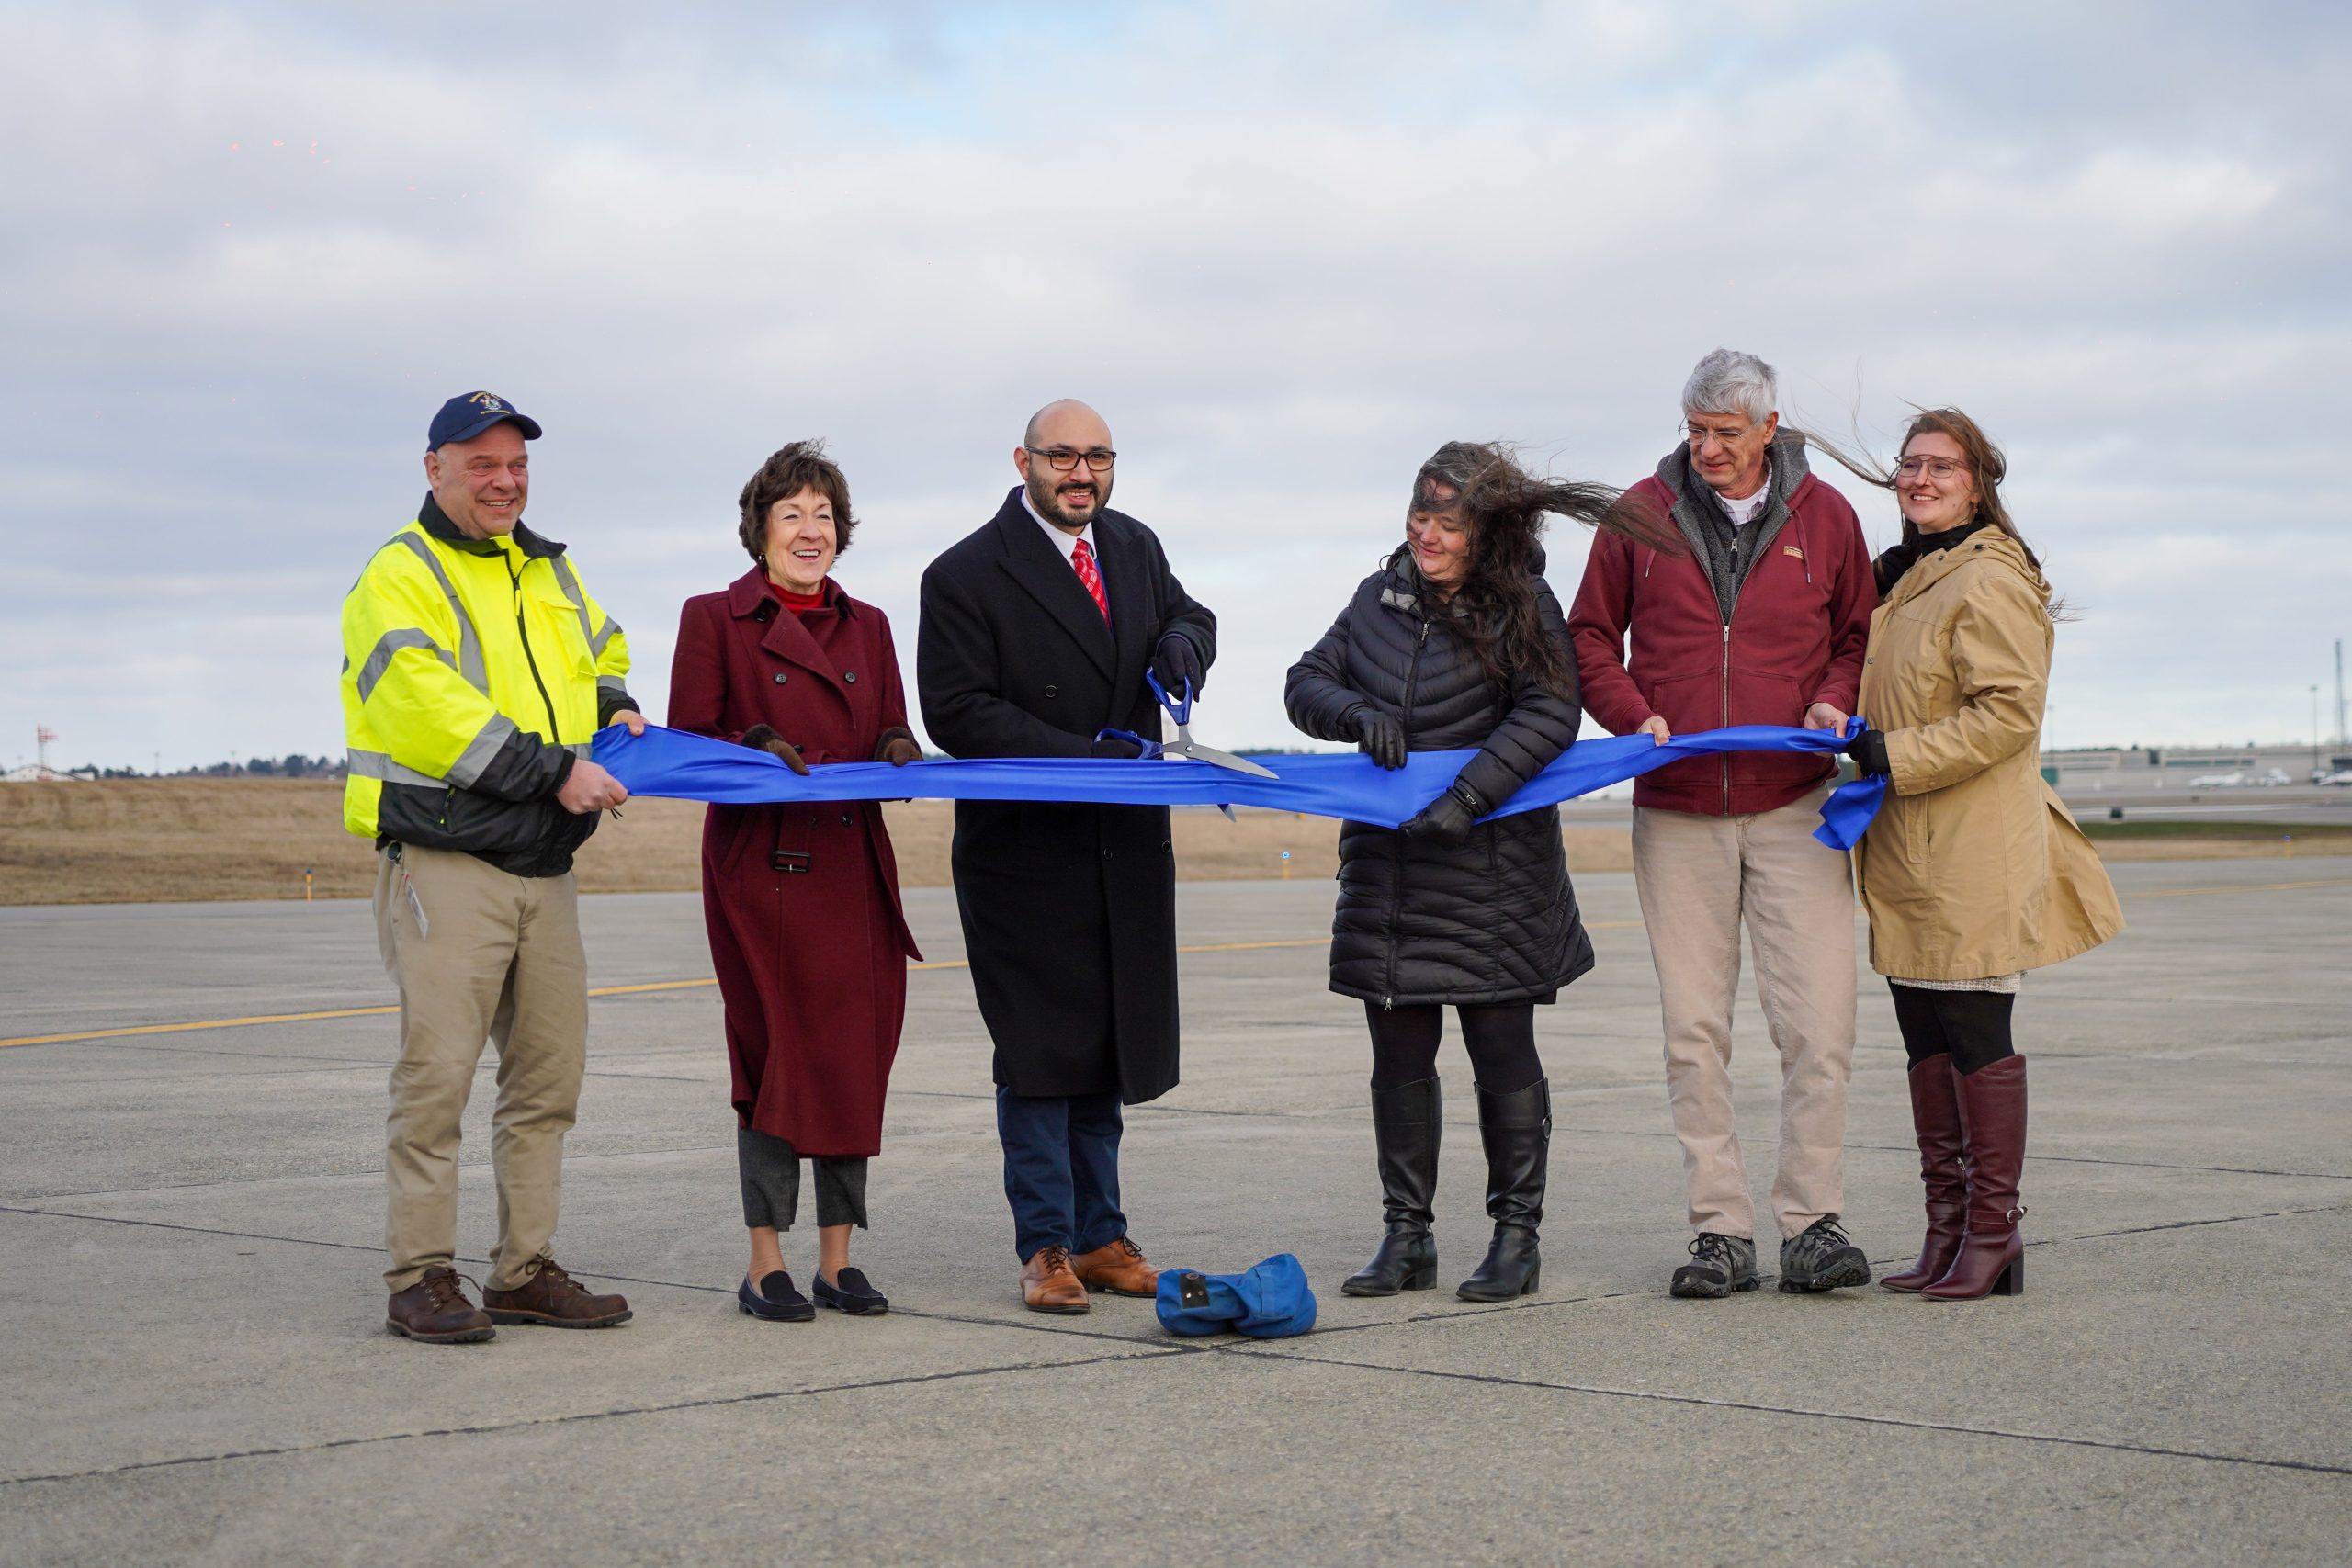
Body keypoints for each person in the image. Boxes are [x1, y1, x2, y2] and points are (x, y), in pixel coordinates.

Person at [1285, 443, 1663, 1302]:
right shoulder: (1376, 598)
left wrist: (1468, 796)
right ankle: (1406, 1234)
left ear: (1485, 530)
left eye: (1447, 522)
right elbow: (1304, 682)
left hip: (1495, 873)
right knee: (1398, 1056)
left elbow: (1551, 712)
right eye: (1419, 515)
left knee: (1502, 1051)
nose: (1427, 534)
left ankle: (1515, 1237)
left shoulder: (1524, 603)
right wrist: (1353, 711)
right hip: (1389, 875)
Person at [1566, 349, 1879, 1298]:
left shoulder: (1829, 517)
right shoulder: (1636, 515)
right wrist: (1632, 716)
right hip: (1677, 811)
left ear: (1768, 429)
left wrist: (1834, 699)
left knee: (1818, 1027)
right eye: (1695, 430)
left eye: (1726, 433)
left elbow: (1858, 636)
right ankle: (1720, 1232)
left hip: (1797, 807)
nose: (1706, 447)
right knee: (1694, 1032)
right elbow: (1589, 636)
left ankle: (1812, 1224)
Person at [341, 391, 642, 1344]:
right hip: (448, 857)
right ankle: (419, 1276)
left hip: (544, 867)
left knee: (548, 1081)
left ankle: (524, 1270)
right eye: (482, 464)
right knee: (437, 1080)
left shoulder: (548, 569)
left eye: (516, 464)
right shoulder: (400, 573)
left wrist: (616, 705)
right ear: (434, 469)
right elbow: (427, 709)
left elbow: (600, 647)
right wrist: (554, 771)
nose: (504, 481)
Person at [917, 399, 1216, 1314]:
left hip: (1123, 845)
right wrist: (1088, 758)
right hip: (1025, 852)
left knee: (1105, 1047)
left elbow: (1190, 613)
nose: (1081, 474)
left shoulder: (1134, 547)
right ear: (1024, 463)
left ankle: (1101, 1236)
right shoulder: (963, 573)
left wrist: (1182, 644)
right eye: (1061, 457)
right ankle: (1044, 1245)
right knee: (1040, 1053)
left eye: (1097, 457)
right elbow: (957, 710)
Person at [1831, 409, 2122, 1298]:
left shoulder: (1988, 575)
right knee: (1924, 1039)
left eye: (1941, 466)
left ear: (1977, 482)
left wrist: (1892, 753)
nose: (1919, 479)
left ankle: (1993, 1233)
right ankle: (1948, 1231)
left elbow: (2006, 715)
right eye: (1910, 464)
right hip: (1906, 845)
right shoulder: (1909, 577)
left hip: (1969, 848)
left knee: (1973, 1036)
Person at [669, 441, 924, 1322]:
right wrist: (752, 748)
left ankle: (838, 1261)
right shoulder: (713, 617)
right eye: (792, 514)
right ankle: (764, 1261)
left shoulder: (872, 624)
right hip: (762, 870)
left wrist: (897, 748)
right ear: (760, 530)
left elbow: (889, 722)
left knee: (852, 1060)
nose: (811, 530)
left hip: (853, 866)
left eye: (824, 515)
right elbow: (690, 740)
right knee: (773, 1056)